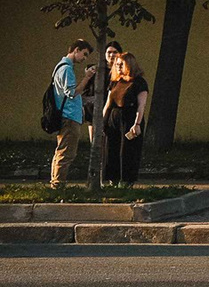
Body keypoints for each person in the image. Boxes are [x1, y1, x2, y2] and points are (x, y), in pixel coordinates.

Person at [95, 42, 151, 186]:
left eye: (122, 64)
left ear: (130, 65)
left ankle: (126, 181)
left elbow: (141, 105)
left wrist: (137, 123)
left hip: (130, 117)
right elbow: (108, 103)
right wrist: (102, 121)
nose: (118, 66)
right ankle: (112, 180)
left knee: (127, 150)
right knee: (111, 149)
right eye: (117, 64)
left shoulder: (139, 82)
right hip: (113, 118)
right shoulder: (115, 82)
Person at [48, 38, 93, 187]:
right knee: (66, 152)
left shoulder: (61, 67)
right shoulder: (66, 69)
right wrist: (87, 77)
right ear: (76, 50)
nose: (84, 58)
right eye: (84, 54)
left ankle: (56, 182)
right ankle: (58, 184)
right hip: (69, 116)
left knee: (62, 150)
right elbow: (72, 92)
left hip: (67, 115)